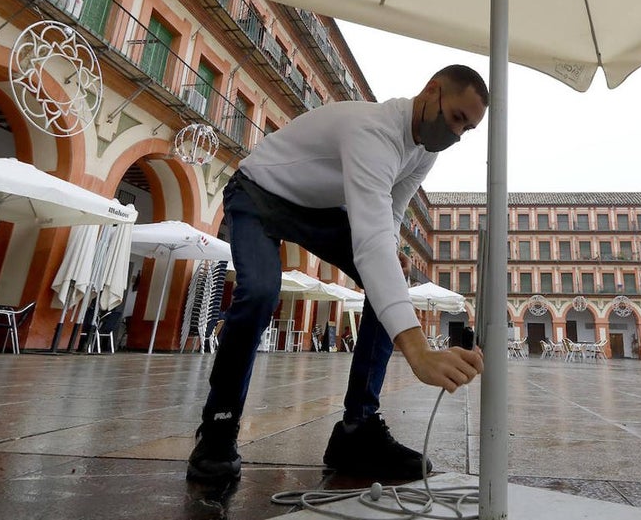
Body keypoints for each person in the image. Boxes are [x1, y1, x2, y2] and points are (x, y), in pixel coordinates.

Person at [187, 65, 488, 484]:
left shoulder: (425, 152)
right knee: (258, 292)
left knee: (390, 280)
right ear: (432, 91)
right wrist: (418, 350)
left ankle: (357, 430)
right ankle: (219, 426)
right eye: (457, 118)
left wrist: (390, 262)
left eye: (468, 129)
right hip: (257, 191)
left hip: (315, 209)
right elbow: (370, 243)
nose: (457, 135)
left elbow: (390, 218)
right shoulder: (374, 132)